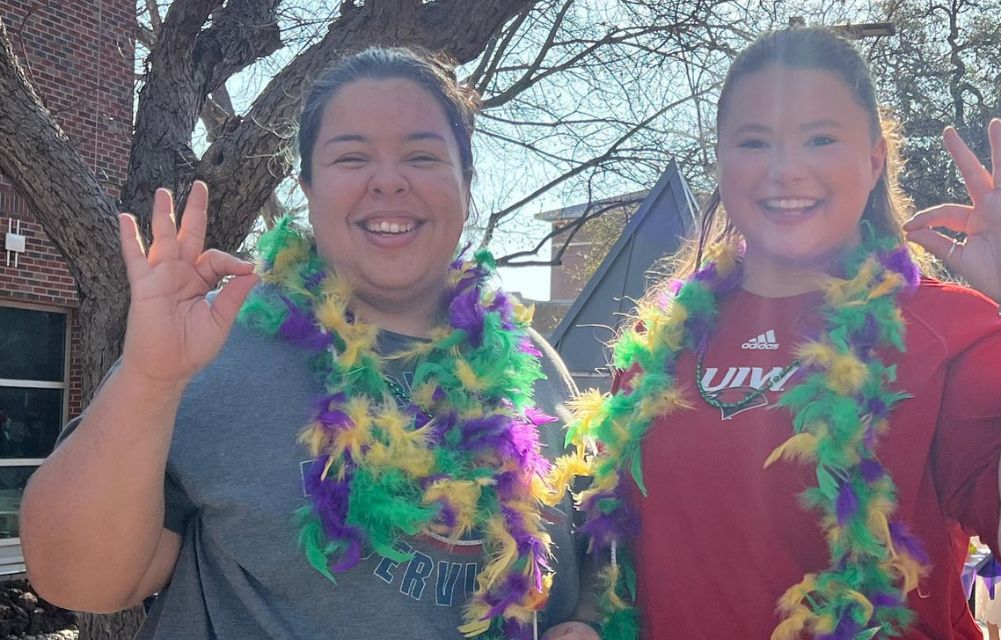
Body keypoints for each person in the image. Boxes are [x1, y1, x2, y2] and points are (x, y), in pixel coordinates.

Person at [556, 27, 1001, 640]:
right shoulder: (657, 341)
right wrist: (590, 620)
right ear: (721, 161)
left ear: (874, 159)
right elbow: (624, 547)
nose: (786, 170)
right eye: (755, 142)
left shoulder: (945, 328)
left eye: (820, 138)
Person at [19, 48, 598, 640]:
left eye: (422, 155)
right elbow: (74, 579)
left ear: (467, 185)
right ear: (308, 188)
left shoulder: (537, 369)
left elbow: (592, 570)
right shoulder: (211, 350)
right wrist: (147, 381)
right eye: (352, 157)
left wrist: (586, 624)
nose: (389, 180)